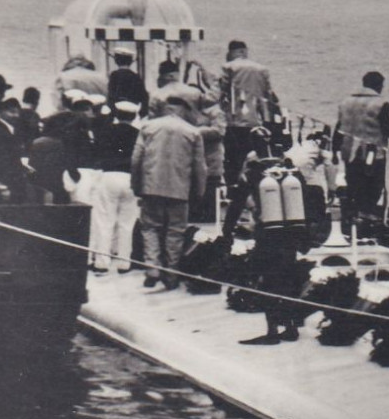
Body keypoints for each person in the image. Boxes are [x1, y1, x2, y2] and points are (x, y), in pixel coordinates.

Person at [222, 154, 309, 344]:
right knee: (287, 277)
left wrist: (227, 231)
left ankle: (272, 331)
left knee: (266, 280)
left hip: (267, 234)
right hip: (290, 234)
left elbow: (236, 205)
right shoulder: (289, 173)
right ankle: (291, 327)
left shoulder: (253, 175)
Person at [131, 96, 207, 289]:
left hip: (151, 187)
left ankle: (152, 268)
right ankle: (171, 275)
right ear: (183, 110)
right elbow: (200, 167)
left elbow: (136, 159)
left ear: (166, 109)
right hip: (179, 190)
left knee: (149, 228)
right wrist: (200, 191)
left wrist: (136, 185)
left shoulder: (148, 127)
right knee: (175, 231)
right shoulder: (193, 132)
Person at [332, 70, 389, 233]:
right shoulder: (381, 104)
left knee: (353, 185)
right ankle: (364, 220)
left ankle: (351, 218)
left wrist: (334, 149)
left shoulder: (345, 102)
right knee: (373, 188)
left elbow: (338, 128)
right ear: (378, 86)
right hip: (373, 154)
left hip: (349, 152)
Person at [87, 99, 143, 274]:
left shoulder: (105, 131)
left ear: (117, 115)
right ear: (134, 116)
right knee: (127, 223)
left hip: (108, 176)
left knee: (104, 221)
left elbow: (96, 152)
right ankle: (124, 263)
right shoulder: (139, 133)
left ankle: (102, 263)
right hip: (130, 179)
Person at [219, 41, 277, 186]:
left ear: (231, 52)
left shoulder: (228, 67)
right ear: (245, 51)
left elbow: (220, 92)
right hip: (256, 123)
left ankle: (233, 189)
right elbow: (269, 96)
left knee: (233, 160)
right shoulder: (262, 69)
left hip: (234, 122)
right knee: (253, 160)